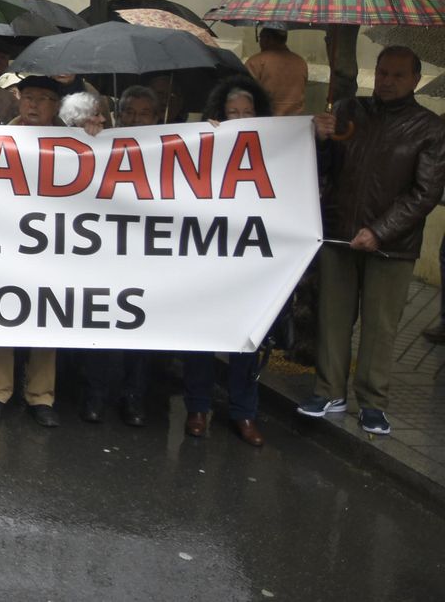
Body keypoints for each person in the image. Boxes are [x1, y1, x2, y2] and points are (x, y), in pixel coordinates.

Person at [300, 46, 445, 436]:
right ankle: (329, 391)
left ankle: (372, 402)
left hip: (391, 246)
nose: (387, 81)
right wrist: (322, 140)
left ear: (416, 80)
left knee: (381, 327)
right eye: (382, 72)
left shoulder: (430, 128)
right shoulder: (349, 110)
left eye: (398, 75)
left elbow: (425, 193)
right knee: (332, 318)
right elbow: (326, 170)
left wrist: (379, 231)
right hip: (338, 233)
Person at [182, 74, 275, 447]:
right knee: (202, 332)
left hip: (250, 257)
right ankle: (198, 408)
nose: (238, 119)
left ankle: (244, 412)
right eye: (231, 112)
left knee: (245, 337)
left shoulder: (273, 146)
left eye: (246, 112)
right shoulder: (205, 141)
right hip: (208, 252)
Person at [0, 75, 64, 428]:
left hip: (54, 245)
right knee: (7, 313)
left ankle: (41, 397)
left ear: (55, 106)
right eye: (28, 97)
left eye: (42, 98)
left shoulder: (74, 139)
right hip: (9, 239)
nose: (32, 104)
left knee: (46, 317)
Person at [80, 85, 162, 426]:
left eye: (144, 113)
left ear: (156, 118)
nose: (135, 119)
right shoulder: (102, 141)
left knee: (141, 335)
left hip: (147, 256)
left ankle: (135, 400)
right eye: (129, 112)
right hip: (106, 253)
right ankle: (96, 397)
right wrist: (90, 135)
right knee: (103, 331)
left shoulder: (170, 145)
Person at [245, 23, 308, 117]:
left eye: (261, 38)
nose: (260, 42)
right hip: (295, 121)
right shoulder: (301, 62)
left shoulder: (256, 62)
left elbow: (245, 94)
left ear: (267, 39)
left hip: (266, 121)